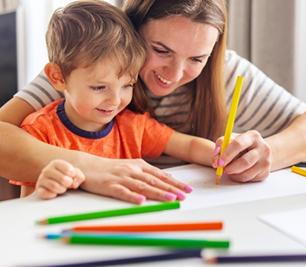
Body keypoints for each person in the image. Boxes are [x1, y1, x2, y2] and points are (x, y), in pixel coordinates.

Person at [0, 0, 306, 203]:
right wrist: (92, 168)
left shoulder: (226, 73)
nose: (174, 74)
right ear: (133, 32)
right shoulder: (93, 66)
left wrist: (266, 153)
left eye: (197, 58)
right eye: (161, 50)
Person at [10, 0, 218, 202]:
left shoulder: (132, 125)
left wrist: (222, 155)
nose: (116, 100)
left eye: (128, 85)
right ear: (57, 77)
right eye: (99, 87)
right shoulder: (39, 132)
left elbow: (189, 145)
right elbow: (27, 205)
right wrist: (46, 188)